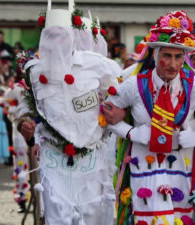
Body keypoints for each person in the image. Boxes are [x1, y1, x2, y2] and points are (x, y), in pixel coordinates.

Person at [104, 10, 195, 225]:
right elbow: (107, 117)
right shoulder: (135, 85)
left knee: (182, 217)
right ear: (155, 55)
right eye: (167, 56)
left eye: (179, 57)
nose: (172, 64)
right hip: (145, 161)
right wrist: (132, 133)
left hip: (183, 162)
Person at [18, 1, 121, 224]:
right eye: (51, 36)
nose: (57, 43)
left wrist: (114, 111)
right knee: (57, 216)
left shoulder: (98, 65)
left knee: (93, 215)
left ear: (72, 36)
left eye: (62, 36)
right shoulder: (34, 72)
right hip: (54, 157)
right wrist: (24, 123)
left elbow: (121, 95)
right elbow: (25, 109)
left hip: (91, 157)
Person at [1, 83, 29, 212]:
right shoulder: (16, 88)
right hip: (19, 135)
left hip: (38, 135)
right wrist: (15, 112)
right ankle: (22, 197)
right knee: (20, 166)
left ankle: (42, 202)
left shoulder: (41, 83)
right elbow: (5, 104)